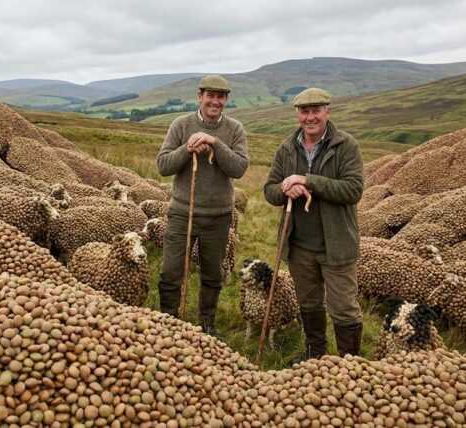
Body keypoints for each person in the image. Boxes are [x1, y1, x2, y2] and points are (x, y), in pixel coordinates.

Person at [263, 87, 364, 359]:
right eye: (304, 112)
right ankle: (315, 356)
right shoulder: (286, 149)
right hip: (299, 246)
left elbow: (353, 190)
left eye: (316, 111)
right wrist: (286, 188)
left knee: (343, 308)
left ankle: (349, 364)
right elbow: (269, 191)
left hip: (336, 245)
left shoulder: (346, 146)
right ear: (298, 114)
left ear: (327, 111)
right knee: (308, 303)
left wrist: (308, 181)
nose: (310, 117)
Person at [156, 75, 249, 335]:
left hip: (218, 216)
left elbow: (239, 168)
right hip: (182, 212)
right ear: (200, 96)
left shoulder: (234, 129)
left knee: (212, 274)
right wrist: (187, 149)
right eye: (210, 95)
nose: (215, 101)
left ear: (226, 100)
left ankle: (207, 324)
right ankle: (168, 322)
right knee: (171, 271)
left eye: (221, 97)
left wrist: (215, 144)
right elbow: (163, 166)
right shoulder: (181, 124)